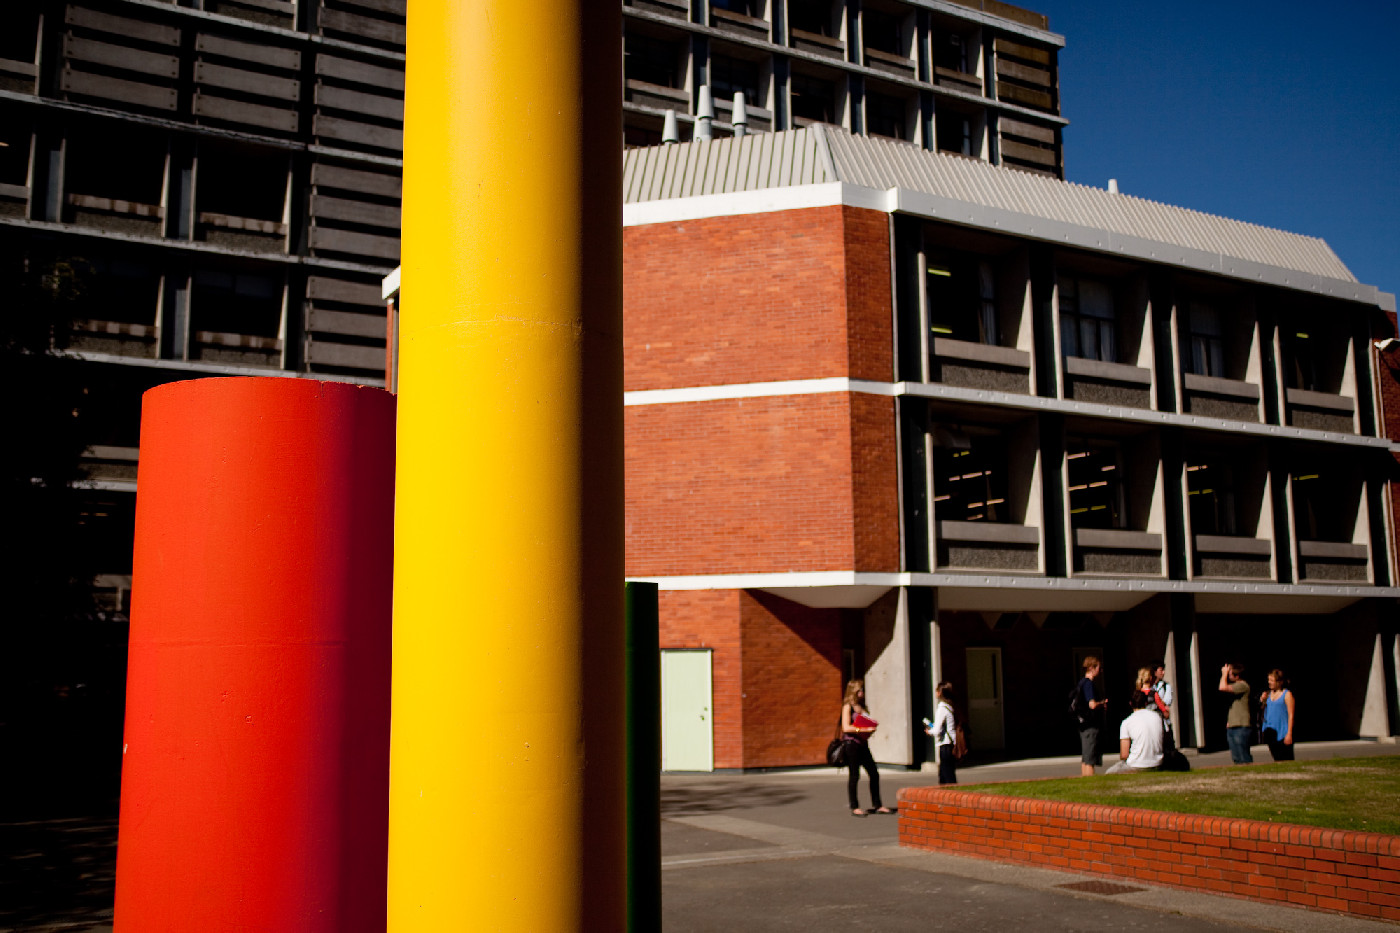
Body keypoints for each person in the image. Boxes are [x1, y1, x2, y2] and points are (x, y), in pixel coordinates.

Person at [841, 679, 892, 816]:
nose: (862, 692)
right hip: (851, 744)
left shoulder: (862, 706)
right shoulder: (848, 707)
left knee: (874, 773)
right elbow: (846, 727)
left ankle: (877, 805)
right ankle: (855, 807)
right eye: (860, 690)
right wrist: (863, 729)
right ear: (854, 691)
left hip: (863, 744)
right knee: (854, 775)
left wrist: (870, 728)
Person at [1105, 689, 1165, 774]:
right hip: (1158, 763)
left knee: (1109, 772)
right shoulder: (1157, 717)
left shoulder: (1127, 722)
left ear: (1130, 703)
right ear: (1146, 703)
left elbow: (1124, 755)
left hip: (1136, 765)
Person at [1076, 657, 1108, 776]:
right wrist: (1102, 703)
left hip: (1083, 724)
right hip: (1091, 725)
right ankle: (1090, 779)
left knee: (1086, 756)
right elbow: (1092, 704)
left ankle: (1085, 778)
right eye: (1099, 667)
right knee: (1090, 758)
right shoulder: (1088, 684)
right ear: (1091, 668)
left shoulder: (1081, 683)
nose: (1101, 670)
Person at [924, 681, 959, 785]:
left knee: (946, 776)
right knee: (946, 774)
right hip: (950, 744)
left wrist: (929, 731)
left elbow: (937, 730)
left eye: (936, 691)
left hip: (945, 746)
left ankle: (952, 793)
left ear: (939, 693)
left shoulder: (942, 708)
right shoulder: (949, 707)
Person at [1218, 662, 1253, 764]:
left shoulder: (1242, 685)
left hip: (1241, 726)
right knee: (1236, 757)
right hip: (1233, 725)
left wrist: (1224, 674)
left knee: (1243, 756)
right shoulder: (1235, 686)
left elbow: (1222, 687)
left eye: (1230, 674)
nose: (1228, 676)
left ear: (1237, 676)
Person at [1259, 669, 1295, 761]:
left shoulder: (1287, 694)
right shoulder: (1268, 694)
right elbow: (1263, 711)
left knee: (1286, 758)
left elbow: (1291, 715)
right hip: (1270, 732)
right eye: (1268, 680)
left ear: (1279, 682)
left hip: (1282, 731)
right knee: (1276, 758)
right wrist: (1262, 701)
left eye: (1272, 680)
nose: (1269, 682)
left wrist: (1289, 733)